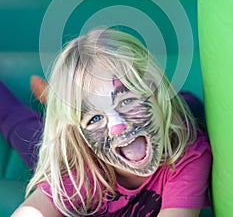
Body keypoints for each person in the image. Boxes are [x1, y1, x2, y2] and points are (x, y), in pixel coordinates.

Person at [8, 27, 211, 216]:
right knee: (18, 123)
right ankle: (55, 99)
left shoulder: (187, 156)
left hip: (173, 112)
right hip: (89, 154)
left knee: (190, 107)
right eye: (95, 118)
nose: (117, 126)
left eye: (127, 100)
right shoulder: (79, 170)